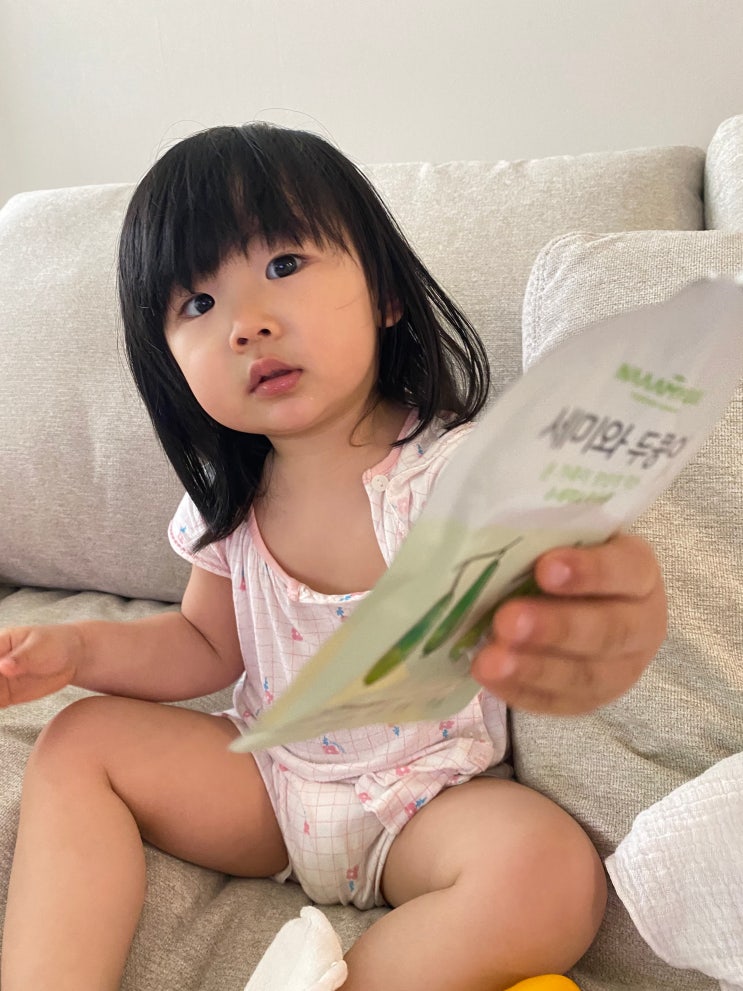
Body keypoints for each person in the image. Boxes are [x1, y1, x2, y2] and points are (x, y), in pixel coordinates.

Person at [0, 123, 667, 991]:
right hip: (267, 784)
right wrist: (78, 652)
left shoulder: (455, 473)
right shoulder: (227, 499)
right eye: (197, 304)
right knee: (78, 739)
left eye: (283, 264)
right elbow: (201, 646)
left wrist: (607, 596)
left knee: (549, 872)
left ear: (385, 294)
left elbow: (565, 584)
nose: (248, 324)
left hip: (430, 800)